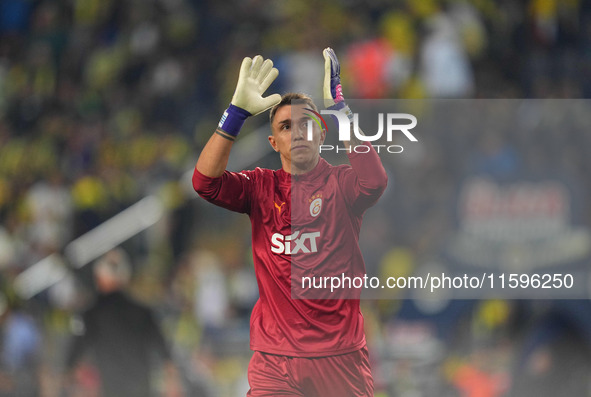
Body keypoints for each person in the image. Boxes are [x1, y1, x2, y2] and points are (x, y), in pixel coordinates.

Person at [192, 48, 387, 396]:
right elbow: (205, 183)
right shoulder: (259, 187)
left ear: (322, 134)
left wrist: (341, 111)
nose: (297, 133)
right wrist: (235, 114)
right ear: (274, 142)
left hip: (338, 358)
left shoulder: (341, 184)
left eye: (306, 124)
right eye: (286, 126)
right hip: (275, 360)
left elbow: (375, 181)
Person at [65, 248, 182, 397]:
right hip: (141, 389)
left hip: (110, 389)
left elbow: (76, 353)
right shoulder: (143, 311)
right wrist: (172, 383)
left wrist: (69, 374)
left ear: (100, 277)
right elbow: (166, 355)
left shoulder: (92, 314)